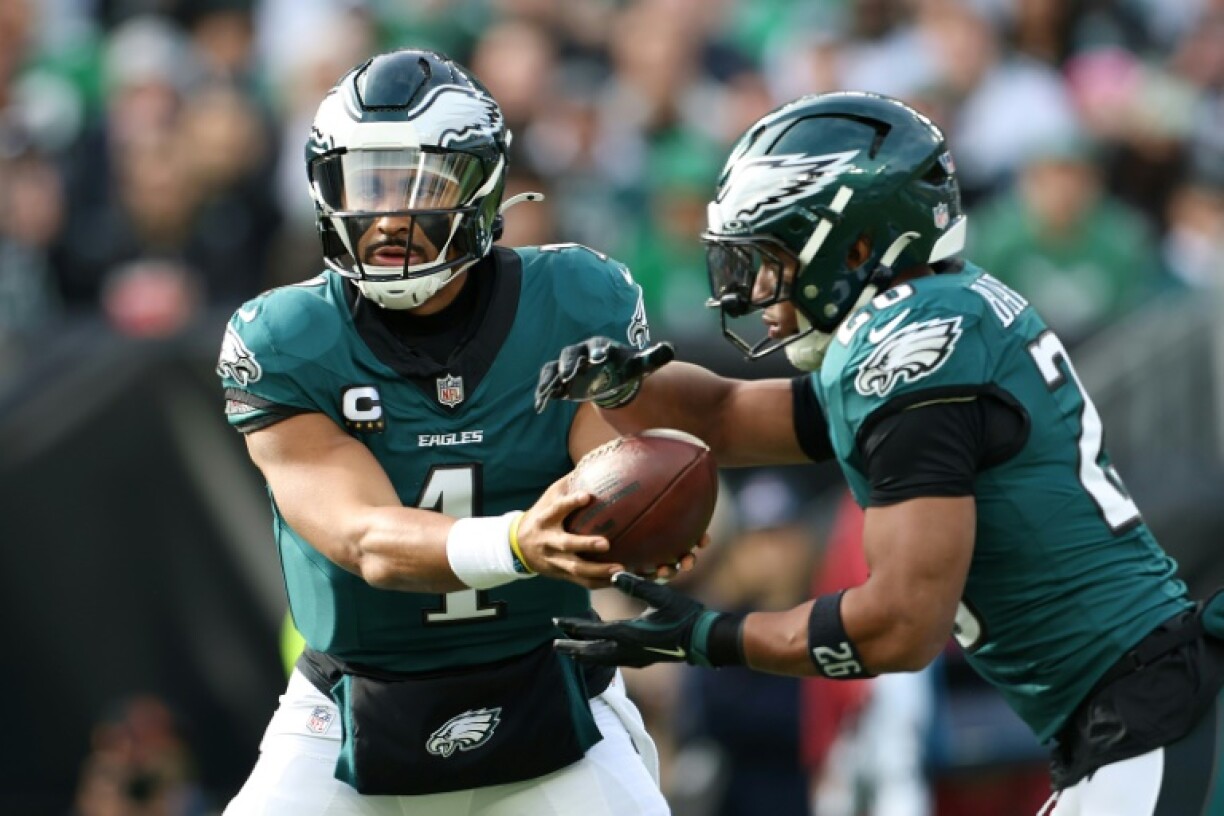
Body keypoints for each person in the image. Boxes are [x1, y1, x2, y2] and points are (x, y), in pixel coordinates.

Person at [535, 91, 1224, 815]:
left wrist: (712, 638)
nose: (757, 292)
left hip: (1149, 722)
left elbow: (903, 623)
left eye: (773, 258)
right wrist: (621, 387)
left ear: (856, 246)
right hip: (1130, 716)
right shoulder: (928, 317)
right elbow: (728, 415)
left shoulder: (912, 350)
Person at [215, 48, 671, 815]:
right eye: (366, 182)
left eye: (417, 181)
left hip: (553, 697)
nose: (388, 214)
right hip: (346, 713)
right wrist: (521, 543)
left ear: (481, 183)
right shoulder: (286, 338)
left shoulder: (576, 297)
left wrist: (642, 525)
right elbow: (366, 539)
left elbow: (617, 481)